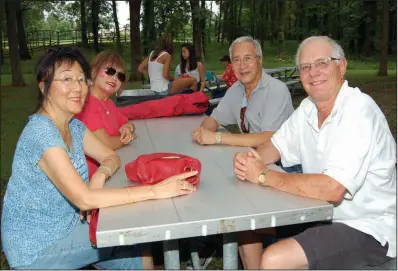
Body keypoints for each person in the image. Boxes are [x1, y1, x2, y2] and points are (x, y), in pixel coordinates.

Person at [1, 47, 198, 270]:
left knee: (135, 248)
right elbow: (84, 200)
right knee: (134, 231)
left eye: (81, 79)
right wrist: (155, 191)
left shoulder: (73, 125)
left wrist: (100, 176)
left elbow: (110, 155)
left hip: (71, 225)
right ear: (43, 85)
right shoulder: (41, 133)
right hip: (37, 247)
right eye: (66, 79)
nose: (77, 88)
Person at [233, 36, 396, 269]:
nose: (313, 72)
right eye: (305, 67)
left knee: (274, 259)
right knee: (246, 223)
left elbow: (333, 188)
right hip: (320, 215)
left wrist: (263, 176)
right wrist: (251, 159)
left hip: (368, 227)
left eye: (322, 63)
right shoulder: (308, 107)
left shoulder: (359, 111)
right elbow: (276, 145)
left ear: (342, 66)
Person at [192, 36, 293, 148]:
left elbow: (269, 138)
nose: (242, 65)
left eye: (248, 58)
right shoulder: (236, 89)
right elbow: (213, 120)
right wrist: (203, 132)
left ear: (260, 60)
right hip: (251, 156)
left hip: (281, 162)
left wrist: (217, 137)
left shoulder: (276, 90)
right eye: (236, 60)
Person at [76, 50, 136, 180]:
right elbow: (105, 144)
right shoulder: (87, 104)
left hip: (111, 171)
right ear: (92, 72)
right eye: (110, 71)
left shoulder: (108, 103)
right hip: (91, 179)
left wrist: (128, 129)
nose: (115, 77)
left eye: (120, 76)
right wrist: (125, 139)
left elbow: (127, 122)